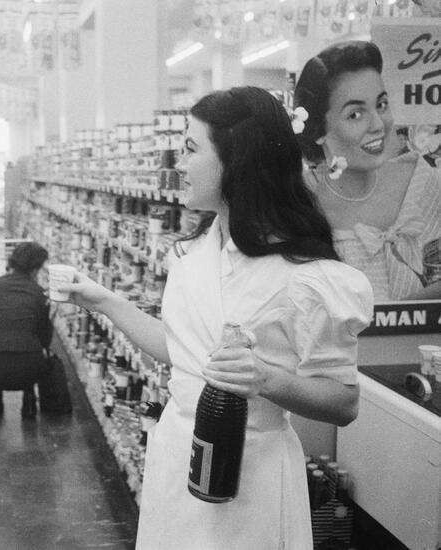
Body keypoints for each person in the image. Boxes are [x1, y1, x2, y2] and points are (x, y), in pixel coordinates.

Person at [58, 87, 374, 549]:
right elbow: (183, 352)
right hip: (178, 456)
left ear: (236, 161)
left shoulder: (307, 277)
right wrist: (103, 300)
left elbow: (344, 403)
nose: (179, 163)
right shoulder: (193, 254)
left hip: (250, 473)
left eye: (191, 148)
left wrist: (266, 379)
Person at [294, 40, 441, 301]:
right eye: (355, 114)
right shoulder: (300, 205)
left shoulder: (423, 182)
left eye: (381, 105)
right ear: (318, 131)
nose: (378, 125)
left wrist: (399, 316)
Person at [0, 242, 53, 419]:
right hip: (30, 368)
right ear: (35, 268)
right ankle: (29, 395)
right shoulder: (39, 293)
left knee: (6, 343)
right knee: (28, 346)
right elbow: (44, 336)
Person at [3, 161, 22, 237]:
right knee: (13, 216)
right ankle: (12, 232)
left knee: (8, 215)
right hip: (13, 199)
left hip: (9, 199)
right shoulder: (15, 173)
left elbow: (8, 187)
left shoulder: (7, 173)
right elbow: (17, 187)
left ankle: (8, 232)